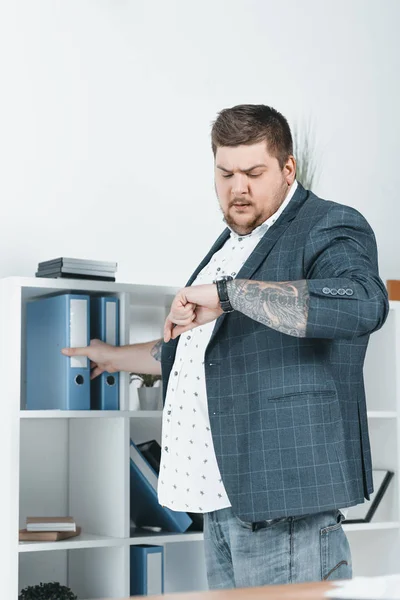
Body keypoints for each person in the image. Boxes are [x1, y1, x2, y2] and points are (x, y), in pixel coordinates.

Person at [62, 104, 389, 589]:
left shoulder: (327, 225)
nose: (238, 187)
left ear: (287, 168)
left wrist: (229, 293)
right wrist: (109, 355)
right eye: (225, 173)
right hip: (221, 505)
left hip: (285, 511)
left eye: (254, 173)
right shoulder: (230, 244)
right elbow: (197, 355)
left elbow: (364, 302)